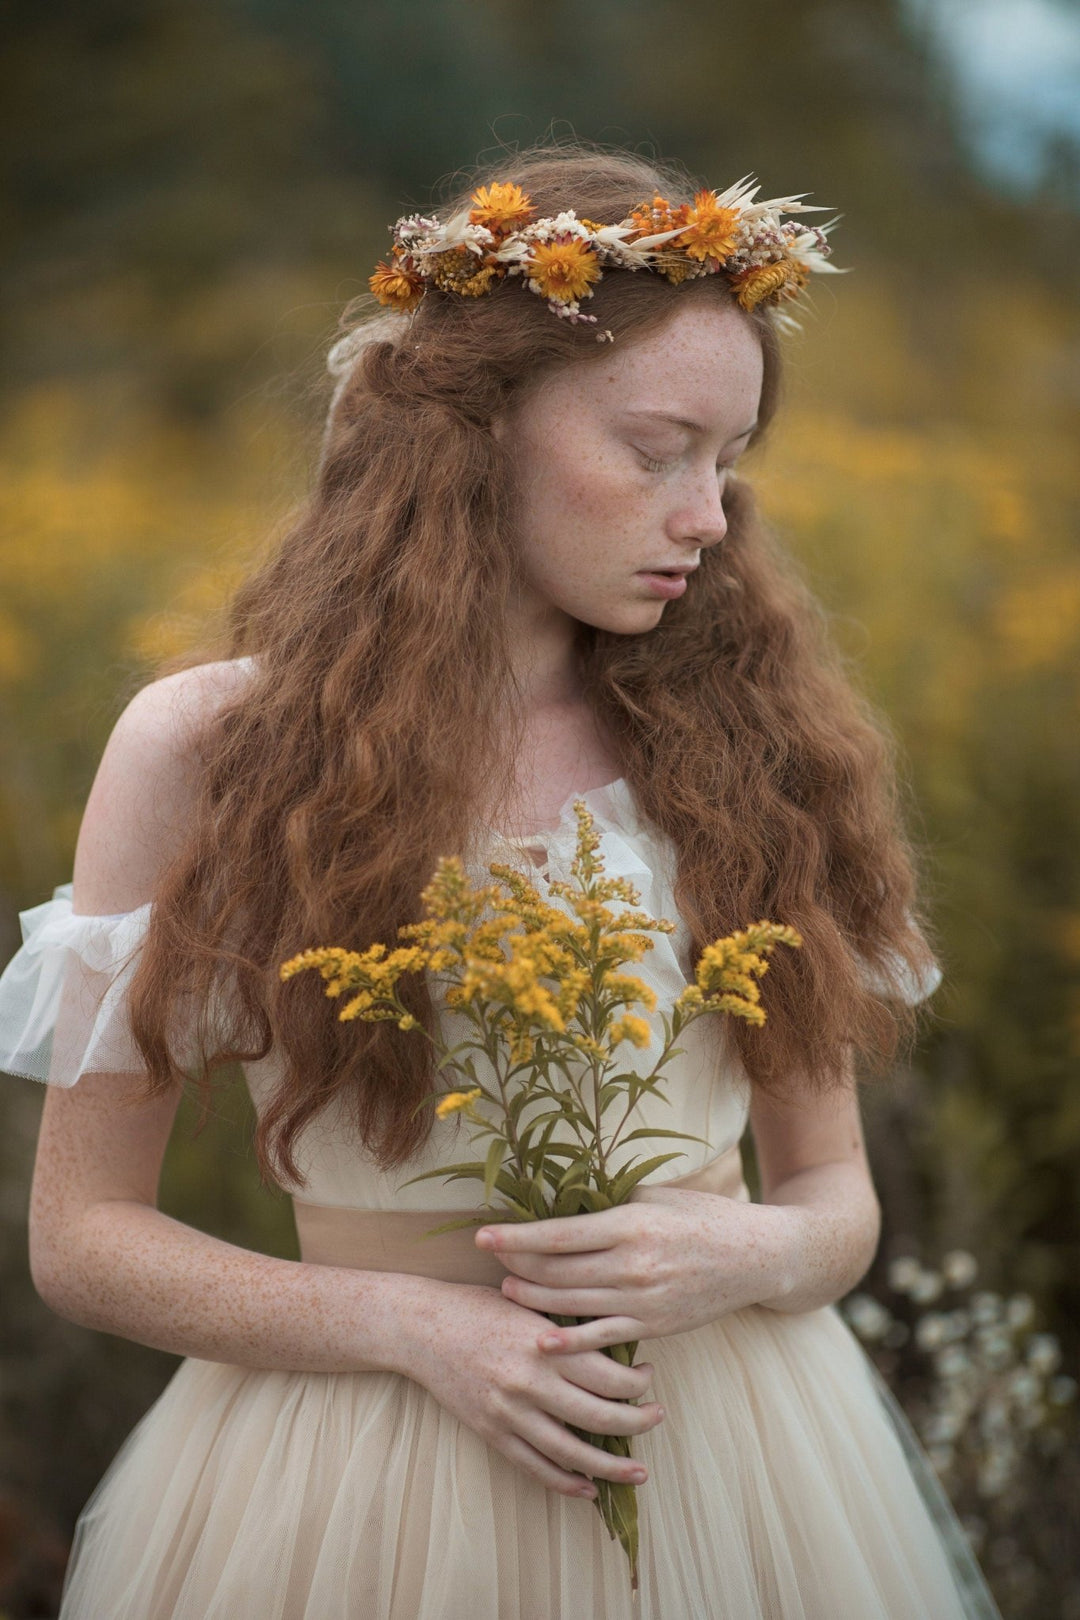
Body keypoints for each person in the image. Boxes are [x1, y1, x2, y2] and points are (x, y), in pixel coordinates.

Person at [0, 142, 1004, 1619]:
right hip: (366, 1467)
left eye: (728, 461)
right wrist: (418, 1328)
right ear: (475, 433)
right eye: (656, 451)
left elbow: (831, 1196)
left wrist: (748, 1249)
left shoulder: (752, 748)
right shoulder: (211, 750)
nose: (708, 515)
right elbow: (84, 1242)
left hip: (728, 1450)